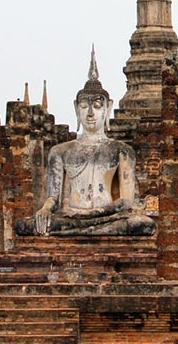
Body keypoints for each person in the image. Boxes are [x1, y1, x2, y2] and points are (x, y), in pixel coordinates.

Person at [15, 48, 153, 236]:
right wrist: (46, 209)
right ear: (76, 108)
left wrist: (95, 214)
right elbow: (53, 198)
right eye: (83, 106)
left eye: (96, 106)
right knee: (24, 226)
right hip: (71, 217)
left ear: (107, 108)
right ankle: (76, 231)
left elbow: (126, 201)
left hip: (108, 217)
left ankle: (78, 233)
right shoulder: (60, 151)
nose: (90, 113)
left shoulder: (121, 150)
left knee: (142, 224)